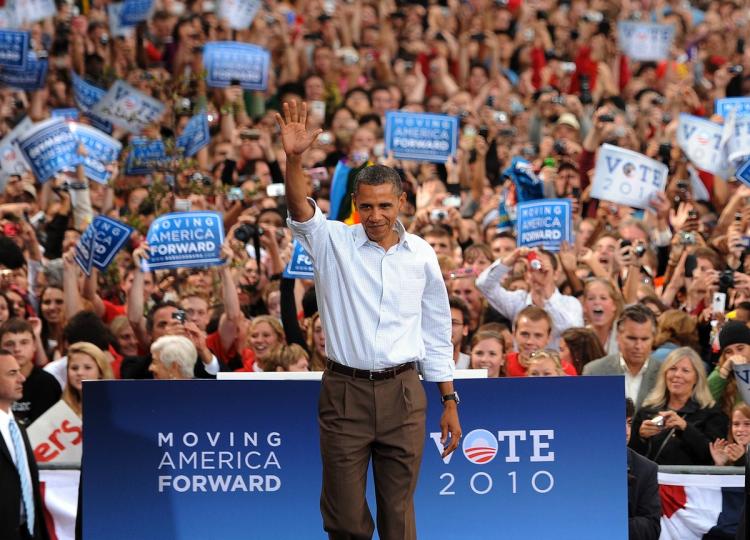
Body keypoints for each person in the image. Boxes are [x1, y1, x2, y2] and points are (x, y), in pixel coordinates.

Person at [278, 101, 460, 540]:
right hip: (345, 392)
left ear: (401, 201)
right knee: (343, 518)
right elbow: (301, 207)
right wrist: (294, 158)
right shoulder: (331, 242)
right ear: (355, 205)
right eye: (366, 207)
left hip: (405, 393)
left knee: (398, 516)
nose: (375, 216)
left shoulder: (422, 255)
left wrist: (449, 400)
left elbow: (436, 330)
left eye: (384, 205)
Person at [629, 347, 728, 465]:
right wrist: (641, 437)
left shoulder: (712, 412)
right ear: (665, 374)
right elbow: (631, 455)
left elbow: (713, 455)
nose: (677, 375)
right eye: (673, 369)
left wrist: (685, 427)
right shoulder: (647, 410)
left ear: (696, 377)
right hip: (653, 481)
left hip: (692, 482)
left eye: (685, 371)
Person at [476, 246, 583, 347]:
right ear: (526, 275)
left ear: (556, 274)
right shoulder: (518, 301)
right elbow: (484, 285)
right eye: (532, 269)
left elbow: (573, 332)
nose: (537, 273)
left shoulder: (570, 303)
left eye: (543, 269)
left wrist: (545, 292)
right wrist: (513, 257)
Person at [0, 349, 51, 540]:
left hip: (27, 531)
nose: (22, 378)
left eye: (19, 371)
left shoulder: (18, 427)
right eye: (12, 373)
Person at [583, 305, 661, 409]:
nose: (638, 346)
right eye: (632, 338)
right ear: (618, 336)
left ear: (653, 338)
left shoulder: (664, 373)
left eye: (644, 339)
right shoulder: (595, 371)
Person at [0, 319, 60, 426]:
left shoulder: (48, 383)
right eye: (9, 344)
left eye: (24, 342)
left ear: (34, 345)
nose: (17, 349)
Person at [625, 398, 662, 540]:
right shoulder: (578, 464)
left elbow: (652, 528)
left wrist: (614, 523)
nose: (626, 431)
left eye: (629, 423)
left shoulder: (646, 469)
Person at [505, 306, 577, 377]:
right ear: (514, 334)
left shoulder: (566, 370)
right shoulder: (501, 364)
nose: (530, 341)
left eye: (538, 336)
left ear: (548, 338)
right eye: (525, 334)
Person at [707, 321, 750, 419]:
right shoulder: (722, 372)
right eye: (728, 352)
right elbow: (706, 402)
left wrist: (744, 372)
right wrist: (724, 371)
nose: (735, 356)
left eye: (740, 348)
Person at [61, 342, 113, 416]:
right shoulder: (62, 409)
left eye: (87, 367)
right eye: (74, 368)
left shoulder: (115, 406)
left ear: (101, 372)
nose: (79, 373)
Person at [582, 278, 624, 355]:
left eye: (603, 298)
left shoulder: (623, 338)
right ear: (584, 306)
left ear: (614, 305)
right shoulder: (580, 339)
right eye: (591, 298)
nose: (597, 302)